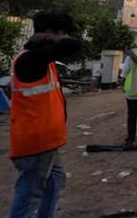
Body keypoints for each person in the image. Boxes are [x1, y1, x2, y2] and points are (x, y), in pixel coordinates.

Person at [9, 11, 82, 218]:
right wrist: (50, 39)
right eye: (63, 34)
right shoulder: (30, 60)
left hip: (46, 140)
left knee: (55, 182)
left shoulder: (43, 60)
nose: (66, 38)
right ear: (50, 34)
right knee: (29, 196)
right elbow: (74, 45)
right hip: (35, 141)